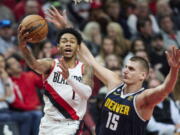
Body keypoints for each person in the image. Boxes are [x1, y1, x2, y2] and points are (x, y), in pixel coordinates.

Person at [39, 6, 180, 135]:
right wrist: (67, 27)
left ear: (142, 75)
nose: (125, 71)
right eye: (125, 67)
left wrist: (173, 70)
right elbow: (89, 58)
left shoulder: (142, 99)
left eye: (131, 69)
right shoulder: (114, 82)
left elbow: (165, 89)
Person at [18, 10, 93, 135]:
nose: (68, 43)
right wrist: (23, 47)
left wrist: (69, 78)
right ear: (58, 47)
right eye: (64, 41)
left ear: (78, 47)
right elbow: (33, 64)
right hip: (47, 124)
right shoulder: (50, 64)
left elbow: (87, 93)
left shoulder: (85, 68)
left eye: (72, 41)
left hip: (70, 125)